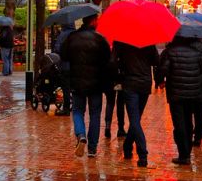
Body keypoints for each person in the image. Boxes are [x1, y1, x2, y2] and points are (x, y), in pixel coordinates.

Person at [60, 15, 112, 158]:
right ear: (93, 21)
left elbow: (63, 55)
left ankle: (81, 134)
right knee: (95, 114)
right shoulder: (100, 39)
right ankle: (92, 148)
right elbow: (108, 60)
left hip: (77, 81)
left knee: (77, 111)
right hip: (96, 83)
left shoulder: (72, 37)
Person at [160, 35, 202, 165]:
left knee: (179, 124)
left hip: (176, 94)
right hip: (193, 93)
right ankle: (187, 150)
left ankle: (184, 154)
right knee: (188, 122)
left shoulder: (170, 52)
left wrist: (160, 80)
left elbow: (163, 70)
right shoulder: (198, 52)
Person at [112, 41, 158, 167]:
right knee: (136, 119)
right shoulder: (148, 40)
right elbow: (156, 61)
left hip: (130, 83)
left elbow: (113, 62)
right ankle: (127, 146)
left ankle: (143, 154)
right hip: (145, 82)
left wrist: (120, 69)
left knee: (134, 120)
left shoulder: (120, 41)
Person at [53, 23, 76, 116]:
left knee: (66, 88)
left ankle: (66, 108)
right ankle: (76, 107)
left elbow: (57, 49)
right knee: (75, 88)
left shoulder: (62, 35)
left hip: (65, 65)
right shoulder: (76, 33)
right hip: (76, 66)